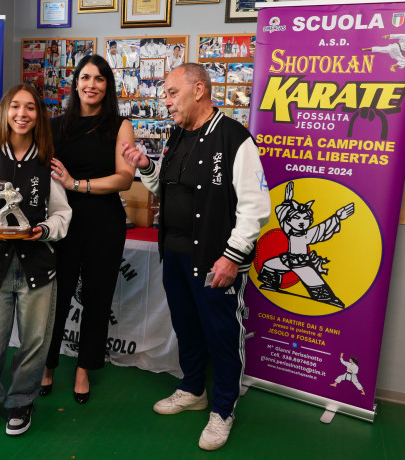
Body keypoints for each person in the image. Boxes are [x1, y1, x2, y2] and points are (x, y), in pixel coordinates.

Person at [121, 63, 271, 451]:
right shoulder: (176, 135)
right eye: (165, 95)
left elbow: (256, 207)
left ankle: (223, 409)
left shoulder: (235, 138)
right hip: (174, 255)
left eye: (172, 93)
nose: (166, 102)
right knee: (185, 327)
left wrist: (232, 257)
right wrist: (147, 167)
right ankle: (192, 390)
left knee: (222, 335)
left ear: (199, 90)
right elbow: (166, 188)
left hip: (216, 261)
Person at [0, 84, 72, 435]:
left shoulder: (47, 163)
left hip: (38, 266)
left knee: (35, 342)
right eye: (16, 106)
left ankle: (22, 400)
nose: (22, 114)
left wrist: (44, 230)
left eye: (31, 108)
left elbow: (62, 213)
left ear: (39, 116)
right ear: (5, 112)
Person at [41, 55, 137, 405]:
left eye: (99, 78)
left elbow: (125, 178)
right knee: (55, 297)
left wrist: (75, 184)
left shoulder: (120, 126)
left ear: (107, 85)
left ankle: (84, 368)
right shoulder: (54, 126)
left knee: (97, 298)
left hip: (104, 222)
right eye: (85, 77)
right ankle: (47, 364)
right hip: (61, 222)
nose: (91, 84)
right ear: (75, 83)